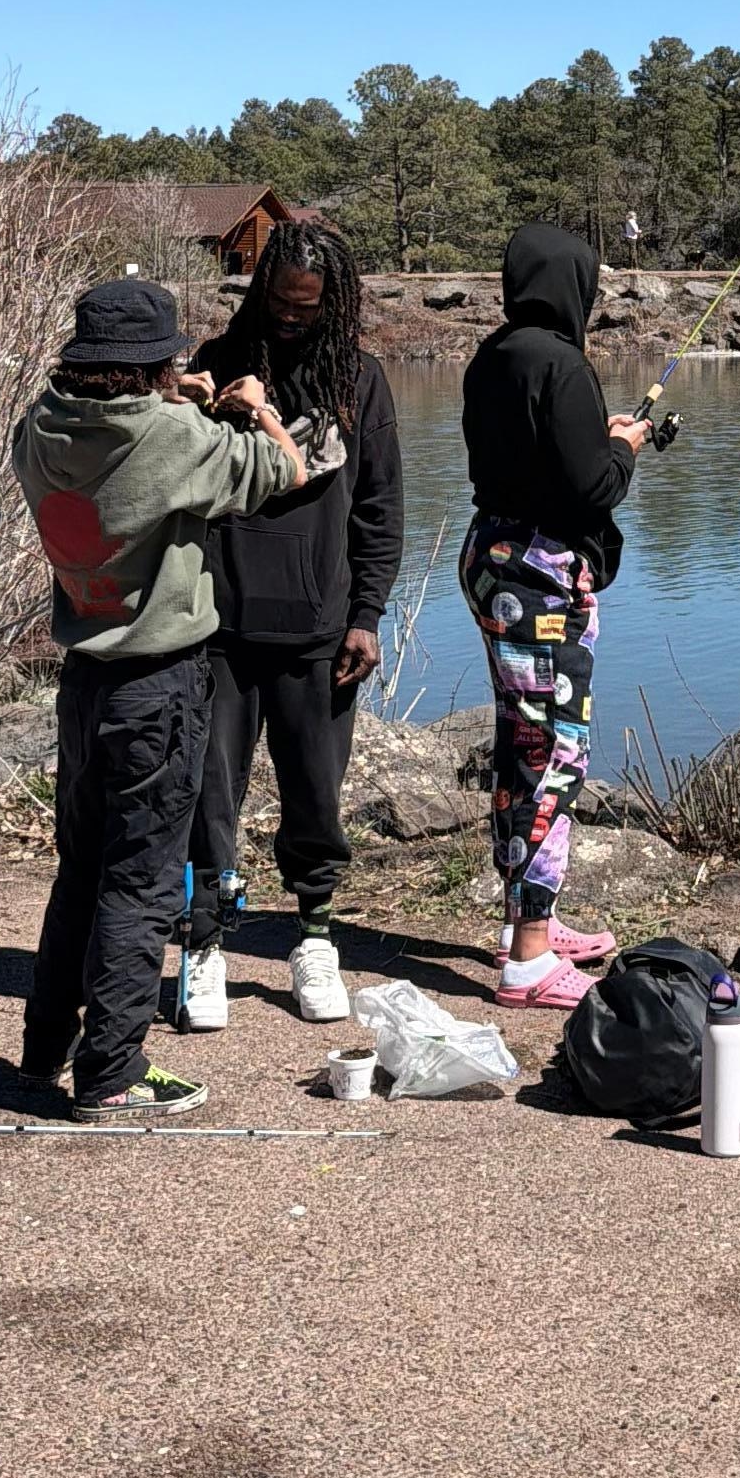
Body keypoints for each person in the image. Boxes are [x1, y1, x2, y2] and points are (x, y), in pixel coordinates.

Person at [11, 273, 310, 1111]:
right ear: (156, 365)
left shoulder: (38, 431)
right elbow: (283, 472)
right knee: (141, 881)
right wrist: (250, 406)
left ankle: (46, 1049)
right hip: (160, 685)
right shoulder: (179, 436)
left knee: (82, 869)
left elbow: (114, 428)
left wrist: (177, 397)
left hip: (84, 679)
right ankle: (112, 1070)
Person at [183, 217, 405, 1031]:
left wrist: (367, 615)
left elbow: (379, 511)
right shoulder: (212, 368)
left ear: (333, 303)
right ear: (260, 289)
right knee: (209, 796)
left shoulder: (361, 381)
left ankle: (314, 937)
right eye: (279, 301)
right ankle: (202, 945)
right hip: (219, 627)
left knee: (316, 798)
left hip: (320, 631)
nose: (290, 316)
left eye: (307, 307)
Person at [457, 223, 645, 1013]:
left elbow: (536, 462)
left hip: (492, 561)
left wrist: (596, 446)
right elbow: (590, 488)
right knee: (555, 753)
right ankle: (530, 959)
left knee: (519, 742)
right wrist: (626, 446)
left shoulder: (491, 356)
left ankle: (526, 921)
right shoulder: (562, 363)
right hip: (540, 584)